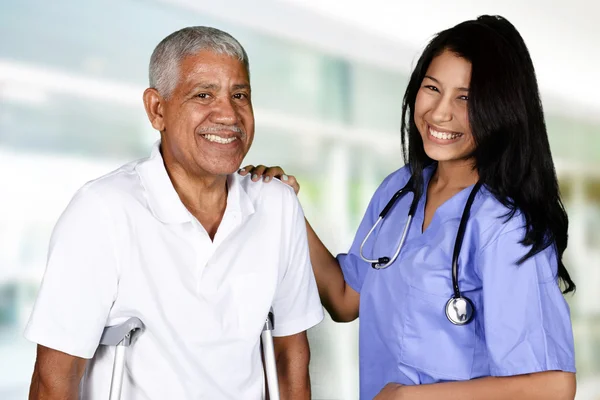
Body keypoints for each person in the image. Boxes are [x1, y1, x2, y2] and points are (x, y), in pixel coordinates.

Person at [242, 15, 577, 400]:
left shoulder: (505, 226)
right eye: (432, 88)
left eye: (465, 97)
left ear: (500, 109)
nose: (439, 113)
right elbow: (346, 298)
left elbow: (553, 387)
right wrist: (286, 208)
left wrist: (409, 397)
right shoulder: (400, 190)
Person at [24, 26, 323, 399]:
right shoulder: (102, 211)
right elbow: (54, 380)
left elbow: (290, 358)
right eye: (203, 94)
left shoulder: (277, 205)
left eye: (239, 94)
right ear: (157, 109)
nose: (228, 114)